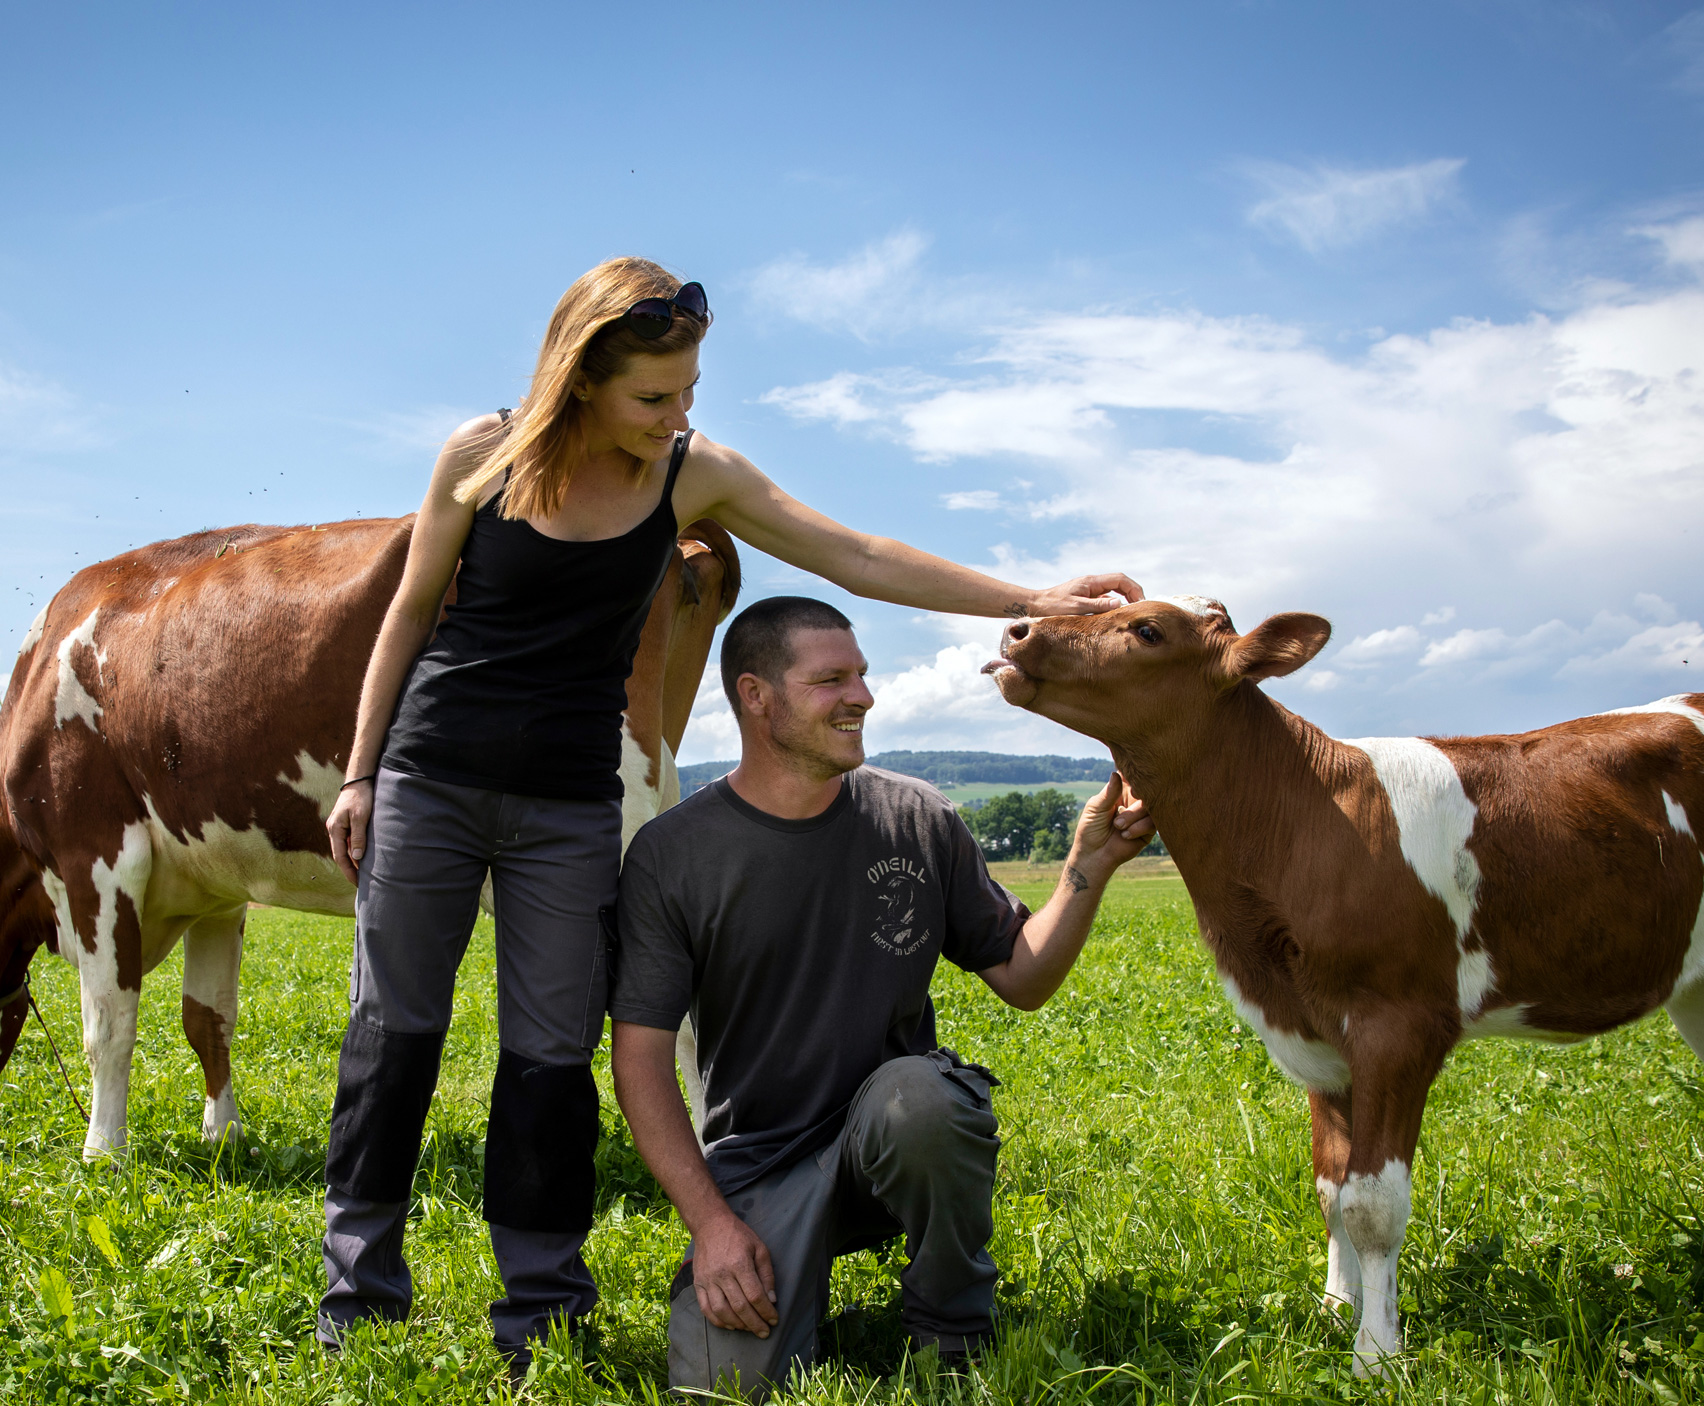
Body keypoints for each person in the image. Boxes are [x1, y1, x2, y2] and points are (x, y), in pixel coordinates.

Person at [318, 257, 1143, 1369]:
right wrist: (363, 772)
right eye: (652, 397)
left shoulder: (689, 473)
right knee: (395, 1032)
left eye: (689, 389)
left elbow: (854, 552)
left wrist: (1031, 599)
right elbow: (410, 613)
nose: (677, 414)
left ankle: (541, 1308)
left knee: (549, 1056)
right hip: (432, 775)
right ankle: (359, 1292)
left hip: (569, 801)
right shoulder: (483, 454)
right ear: (579, 382)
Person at [609, 596, 1156, 1396]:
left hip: (891, 1135)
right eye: (831, 680)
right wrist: (712, 1226)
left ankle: (952, 1329)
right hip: (758, 1162)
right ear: (756, 697)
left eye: (862, 675)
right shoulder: (673, 855)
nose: (862, 697)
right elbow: (643, 1063)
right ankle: (778, 1266)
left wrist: (1088, 866)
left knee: (924, 1101)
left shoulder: (918, 816)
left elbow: (1024, 979)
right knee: (720, 1386)